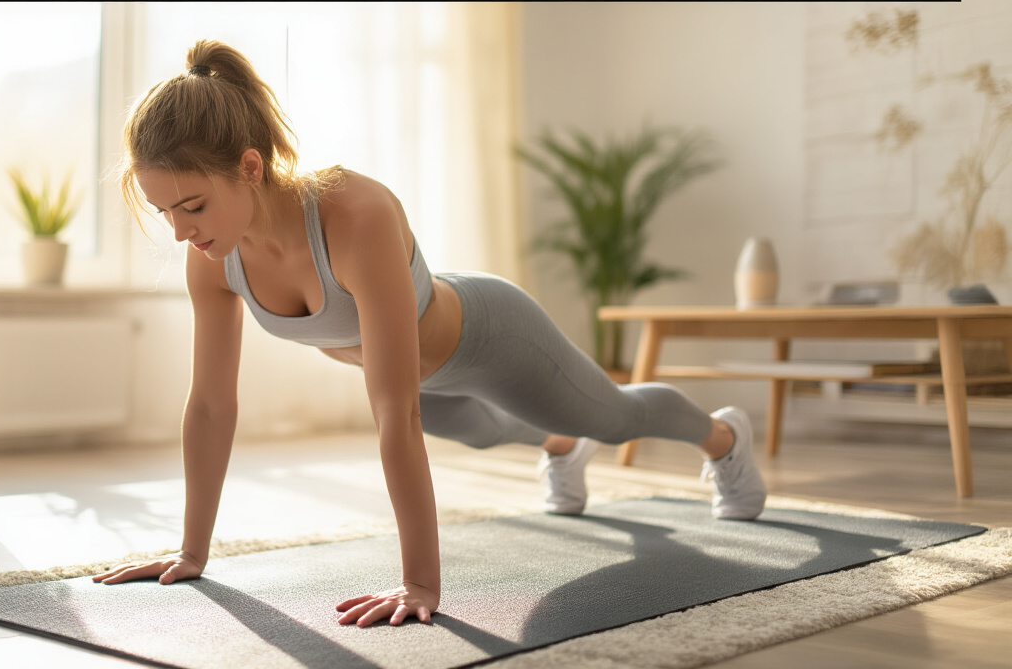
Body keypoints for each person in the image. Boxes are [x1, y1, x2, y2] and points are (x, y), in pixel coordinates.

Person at [92, 40, 767, 627]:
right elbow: (211, 406)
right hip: (426, 377)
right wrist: (192, 552)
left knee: (613, 417)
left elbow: (395, 410)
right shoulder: (213, 254)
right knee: (480, 430)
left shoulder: (354, 214)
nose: (180, 231)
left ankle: (724, 437)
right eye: (163, 212)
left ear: (249, 167)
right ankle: (562, 447)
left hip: (492, 340)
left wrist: (421, 584)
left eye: (192, 206)